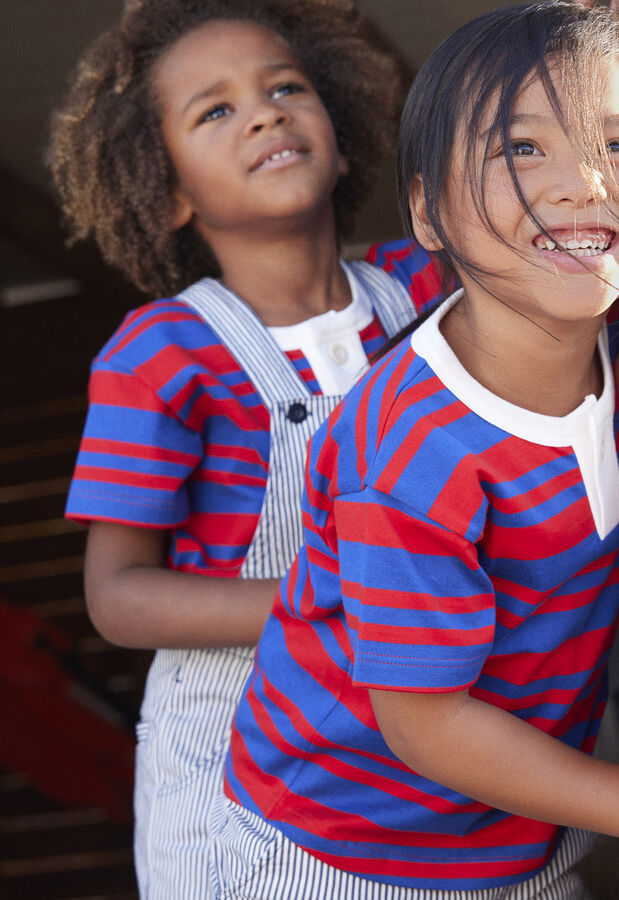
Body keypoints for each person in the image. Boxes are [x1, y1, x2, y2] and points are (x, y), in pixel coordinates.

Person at [213, 3, 619, 898]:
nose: (582, 183)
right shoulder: (416, 449)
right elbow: (423, 721)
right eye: (521, 148)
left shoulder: (605, 342)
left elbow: (550, 503)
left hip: (503, 831)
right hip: (345, 847)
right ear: (427, 212)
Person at [49, 1, 446, 897]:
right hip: (245, 790)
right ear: (169, 192)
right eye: (215, 110)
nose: (264, 112)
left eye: (286, 88)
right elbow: (117, 597)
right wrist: (342, 597)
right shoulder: (162, 354)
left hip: (435, 768)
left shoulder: (435, 293)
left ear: (340, 138)